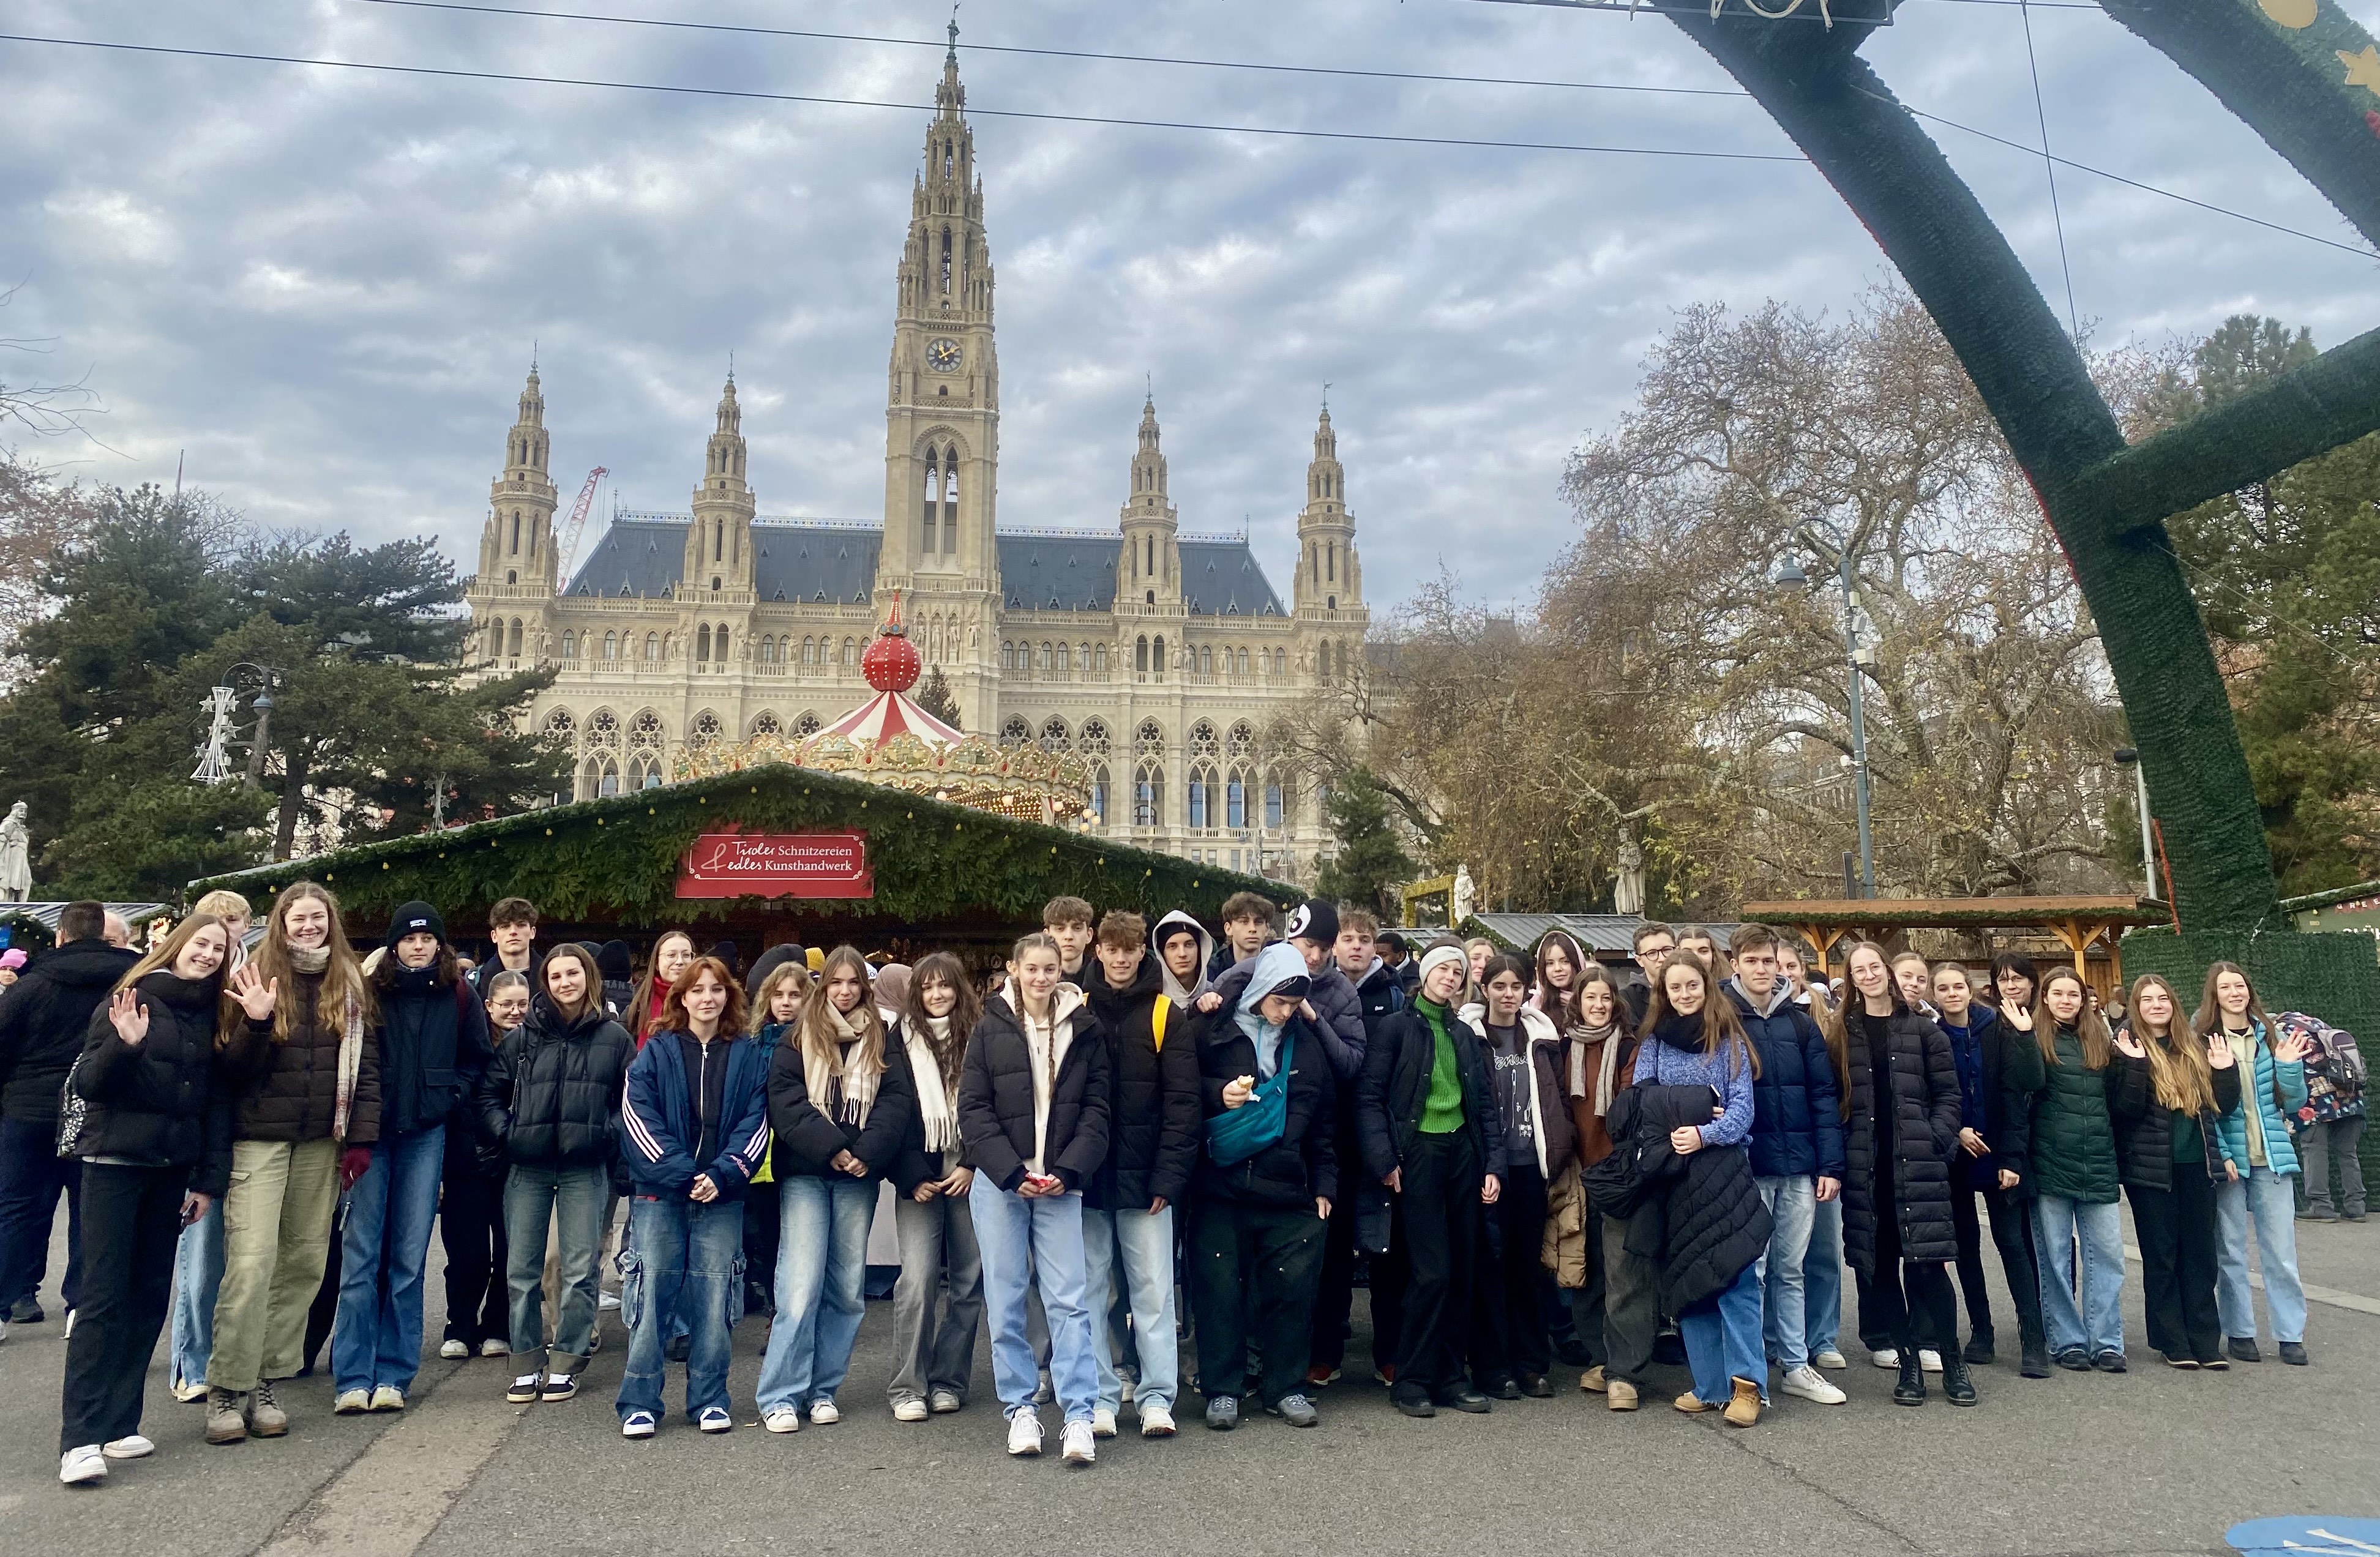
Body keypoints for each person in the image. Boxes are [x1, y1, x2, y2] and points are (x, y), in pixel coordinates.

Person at [53, 914, 238, 1485]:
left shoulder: (214, 1013)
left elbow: (216, 1103)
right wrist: (128, 1047)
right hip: (114, 1162)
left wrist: (208, 1180)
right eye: (200, 944)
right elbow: (90, 1083)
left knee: (150, 1292)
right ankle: (79, 1438)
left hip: (172, 1168)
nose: (207, 955)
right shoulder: (132, 997)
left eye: (218, 948)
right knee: (104, 1297)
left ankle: (119, 1422)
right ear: (177, 946)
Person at [206, 883, 381, 1446]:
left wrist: (360, 1139)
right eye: (298, 918)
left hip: (320, 1141)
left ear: (332, 922)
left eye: (318, 918)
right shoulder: (253, 976)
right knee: (253, 1263)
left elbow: (368, 1070)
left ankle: (265, 1379)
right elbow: (229, 1072)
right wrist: (257, 1021)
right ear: (280, 923)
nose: (309, 927)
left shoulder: (350, 984)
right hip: (258, 1140)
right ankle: (226, 1387)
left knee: (304, 1263)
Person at [957, 932, 1111, 1464]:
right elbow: (973, 1112)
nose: (1042, 978)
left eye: (1050, 969)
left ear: (1061, 971)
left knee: (1069, 1300)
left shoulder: (1085, 1030)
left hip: (1061, 1186)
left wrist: (1069, 1171)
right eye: (1032, 969)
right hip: (1002, 1186)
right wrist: (1009, 1171)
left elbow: (1097, 1111)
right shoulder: (988, 1028)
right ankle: (1020, 1409)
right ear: (1014, 969)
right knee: (1005, 1299)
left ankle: (1078, 1416)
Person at [332, 903, 492, 1414]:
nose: (418, 946)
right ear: (395, 944)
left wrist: (451, 1096)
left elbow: (477, 1058)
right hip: (372, 1133)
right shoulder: (370, 990)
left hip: (426, 1132)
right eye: (408, 939)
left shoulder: (459, 994)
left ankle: (395, 1375)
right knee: (361, 1258)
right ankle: (352, 1375)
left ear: (439, 945)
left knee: (408, 1258)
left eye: (428, 939)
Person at [757, 946, 917, 1430]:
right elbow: (786, 1103)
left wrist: (865, 1153)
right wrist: (833, 1147)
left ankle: (823, 1389)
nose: (845, 992)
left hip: (858, 1177)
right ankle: (781, 1394)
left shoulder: (883, 1037)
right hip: (807, 1171)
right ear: (823, 987)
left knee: (847, 1289)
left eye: (853, 984)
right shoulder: (797, 1037)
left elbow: (896, 1099)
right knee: (801, 1287)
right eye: (836, 984)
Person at [616, 956, 769, 1438]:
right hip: (661, 1197)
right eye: (697, 989)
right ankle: (639, 1400)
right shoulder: (656, 1052)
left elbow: (757, 1121)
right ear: (682, 997)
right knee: (651, 1296)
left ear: (729, 997)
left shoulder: (748, 1055)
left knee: (715, 1298)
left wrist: (722, 1175)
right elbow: (638, 1120)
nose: (708, 997)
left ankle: (709, 1398)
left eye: (717, 989)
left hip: (722, 1197)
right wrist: (685, 1176)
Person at [1190, 941, 1338, 1430]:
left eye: (1295, 1004)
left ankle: (1286, 1387)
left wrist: (1324, 1184)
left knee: (1291, 1295)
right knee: (1218, 1293)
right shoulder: (1211, 1030)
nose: (1286, 1012)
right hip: (1220, 1186)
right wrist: (1218, 1094)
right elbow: (1180, 1094)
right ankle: (1224, 1389)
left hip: (1288, 1191)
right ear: (1259, 990)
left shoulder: (1309, 1044)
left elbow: (1323, 1120)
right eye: (1280, 1000)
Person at [479, 943, 634, 1406]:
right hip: (528, 1166)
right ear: (545, 982)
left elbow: (631, 1101)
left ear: (588, 977)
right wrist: (510, 1135)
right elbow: (489, 1094)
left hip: (585, 1169)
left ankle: (567, 1359)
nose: (565, 982)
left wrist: (606, 1136)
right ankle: (526, 1362)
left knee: (580, 1269)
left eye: (573, 973)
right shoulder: (524, 1037)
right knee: (521, 1270)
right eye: (556, 975)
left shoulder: (614, 1037)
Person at [1358, 942, 1502, 1419]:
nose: (1451, 976)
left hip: (1463, 1151)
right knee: (1430, 1271)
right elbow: (1371, 1098)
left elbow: (1483, 1106)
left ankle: (1450, 1377)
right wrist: (1384, 1159)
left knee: (1462, 1268)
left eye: (1458, 971)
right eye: (1443, 967)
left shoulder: (1464, 1033)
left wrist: (1492, 1165)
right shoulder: (1396, 1028)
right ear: (1426, 972)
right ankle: (1412, 1379)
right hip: (1417, 1153)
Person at [1627, 951, 1772, 1425]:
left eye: (1692, 985)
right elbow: (1642, 1104)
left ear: (1706, 987)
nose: (1685, 994)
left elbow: (1740, 1113)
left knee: (1735, 1282)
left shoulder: (1729, 1041)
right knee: (1690, 1283)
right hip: (1675, 1176)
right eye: (1676, 988)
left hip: (1724, 1173)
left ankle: (1749, 1387)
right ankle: (1710, 1386)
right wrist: (1695, 1107)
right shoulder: (1653, 1044)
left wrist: (1703, 1132)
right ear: (1664, 994)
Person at [1833, 939, 1972, 1406]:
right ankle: (1908, 1363)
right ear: (1851, 980)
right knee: (1881, 1269)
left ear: (1888, 972)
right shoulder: (1843, 1032)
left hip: (1918, 1166)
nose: (1869, 975)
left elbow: (1950, 1096)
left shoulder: (1923, 1030)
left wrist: (1936, 1139)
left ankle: (1951, 1360)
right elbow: (1836, 1098)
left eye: (1875, 966)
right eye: (1859, 970)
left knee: (1929, 1268)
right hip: (1868, 1171)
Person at [1079, 912, 1196, 1438]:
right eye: (1112, 948)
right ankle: (1102, 1396)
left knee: (1153, 1294)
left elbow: (1183, 1104)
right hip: (1086, 1179)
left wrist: (1168, 1180)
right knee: (1089, 1294)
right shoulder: (1075, 1009)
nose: (1121, 958)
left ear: (1140, 954)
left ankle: (1155, 1398)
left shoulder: (1165, 1013)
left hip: (1148, 1181)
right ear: (1097, 951)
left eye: (1130, 949)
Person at [0, 900, 138, 1340]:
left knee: (17, 1209)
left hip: (28, 1110)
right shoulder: (130, 980)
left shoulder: (32, 983)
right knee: (90, 1211)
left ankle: (6, 1302)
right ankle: (82, 1305)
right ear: (104, 933)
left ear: (60, 935)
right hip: (100, 1110)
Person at [1724, 925, 1845, 1407]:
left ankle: (1795, 1363)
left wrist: (1830, 1165)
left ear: (1780, 966)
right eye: (1751, 960)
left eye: (1767, 961)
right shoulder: (1721, 1018)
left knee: (1790, 1268)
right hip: (1746, 1168)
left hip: (1799, 1167)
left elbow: (1822, 1096)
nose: (1760, 969)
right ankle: (1750, 1368)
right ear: (1735, 965)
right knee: (1750, 1271)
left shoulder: (1800, 1023)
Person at [2111, 973, 2238, 1370]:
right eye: (2147, 999)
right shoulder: (2127, 1045)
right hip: (2150, 1171)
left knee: (2200, 1255)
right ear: (2137, 1006)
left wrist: (2225, 1071)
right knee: (2162, 1256)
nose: (2155, 1004)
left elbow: (2224, 1106)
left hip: (2197, 1166)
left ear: (2173, 1004)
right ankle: (2173, 1340)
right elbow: (2125, 1110)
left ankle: (2205, 1340)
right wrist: (2133, 1066)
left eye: (2162, 997)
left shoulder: (2196, 1046)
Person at [1930, 961, 2049, 1379]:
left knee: (2013, 1246)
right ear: (1936, 994)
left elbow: (2019, 1093)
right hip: (1957, 1156)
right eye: (1942, 988)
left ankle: (2034, 1339)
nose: (1951, 993)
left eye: (1958, 986)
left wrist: (2012, 1160)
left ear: (1971, 989)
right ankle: (1982, 1331)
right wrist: (1954, 1131)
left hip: (2001, 1155)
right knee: (1965, 1247)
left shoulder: (1997, 1028)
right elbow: (1931, 1096)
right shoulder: (1933, 1036)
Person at [1461, 952, 1569, 1399]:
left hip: (1530, 1166)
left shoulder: (1541, 1035)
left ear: (1527, 989)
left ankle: (1530, 1364)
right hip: (1488, 1168)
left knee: (1527, 1268)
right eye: (1500, 986)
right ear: (1485, 989)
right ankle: (1492, 1365)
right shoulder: (1469, 1035)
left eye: (1516, 987)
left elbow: (1555, 1095)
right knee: (1490, 1265)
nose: (1508, 995)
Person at [2194, 960, 2313, 1365]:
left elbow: (2293, 1103)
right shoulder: (2204, 1039)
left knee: (2280, 1252)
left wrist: (2289, 1067)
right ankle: (2240, 1330)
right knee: (2230, 1251)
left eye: (2239, 985)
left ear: (2249, 991)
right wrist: (2223, 1154)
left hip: (2272, 1158)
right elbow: (2207, 1108)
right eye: (2226, 987)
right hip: (2232, 1161)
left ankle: (2290, 1334)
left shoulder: (2270, 1036)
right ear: (2215, 994)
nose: (2234, 992)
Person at [886, 952, 986, 1421]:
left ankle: (949, 1379)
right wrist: (912, 1176)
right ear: (916, 993)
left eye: (945, 985)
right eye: (927, 987)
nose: (937, 994)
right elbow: (891, 1112)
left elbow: (992, 1104)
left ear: (958, 989)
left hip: (971, 1170)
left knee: (968, 1281)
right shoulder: (897, 1039)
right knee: (919, 1279)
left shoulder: (982, 1034)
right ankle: (908, 1385)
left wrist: (970, 1163)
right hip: (919, 1173)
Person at [2018, 965, 2125, 1374]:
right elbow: (2027, 1085)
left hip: (2097, 1159)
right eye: (2058, 993)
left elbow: (2117, 1101)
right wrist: (2025, 1038)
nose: (2066, 1000)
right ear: (2045, 998)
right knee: (2056, 1258)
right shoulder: (2034, 1036)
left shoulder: (2101, 1038)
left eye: (2073, 994)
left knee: (2107, 1256)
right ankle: (2067, 1339)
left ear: (2084, 1000)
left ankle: (2107, 1340)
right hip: (2050, 1161)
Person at [1311, 905, 1401, 1384]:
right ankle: (1325, 1352)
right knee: (1332, 1249)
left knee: (1385, 1250)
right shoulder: (1314, 987)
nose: (1357, 946)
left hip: (1380, 1134)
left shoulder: (1393, 993)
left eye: (1365, 939)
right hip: (1331, 1131)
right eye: (1348, 938)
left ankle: (1390, 1352)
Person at [165, 891, 250, 1400]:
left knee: (244, 1263)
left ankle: (231, 1359)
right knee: (199, 1262)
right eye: (213, 923)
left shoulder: (255, 978)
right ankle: (190, 1363)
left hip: (248, 1131)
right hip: (196, 1136)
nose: (223, 932)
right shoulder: (182, 986)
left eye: (233, 920)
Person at [1564, 963, 1645, 1406]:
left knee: (1623, 1274)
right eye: (1590, 998)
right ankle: (1602, 1358)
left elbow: (1631, 1107)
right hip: (1574, 1176)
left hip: (1618, 1174)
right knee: (1585, 1273)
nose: (1598, 1006)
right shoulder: (1559, 1047)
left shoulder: (1631, 1047)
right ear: (1577, 1002)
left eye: (1605, 998)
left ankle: (1626, 1372)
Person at [441, 969, 526, 1360]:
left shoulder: (534, 1044)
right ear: (488, 1005)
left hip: (516, 1163)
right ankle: (459, 1326)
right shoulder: (468, 1045)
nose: (515, 1011)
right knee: (468, 1255)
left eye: (522, 1004)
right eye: (506, 1004)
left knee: (510, 1252)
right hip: (467, 1159)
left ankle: (497, 1327)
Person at [741, 955, 807, 1318]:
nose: (785, 1002)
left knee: (793, 1240)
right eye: (778, 995)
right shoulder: (752, 1044)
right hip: (758, 1153)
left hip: (797, 1152)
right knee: (765, 1238)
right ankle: (773, 1310)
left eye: (795, 995)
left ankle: (790, 1315)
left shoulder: (813, 1041)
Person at [630, 932, 697, 1044]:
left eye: (686, 955)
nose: (680, 961)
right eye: (671, 955)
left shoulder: (705, 1000)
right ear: (657, 963)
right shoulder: (638, 1000)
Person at [473, 897, 540, 992]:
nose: (513, 932)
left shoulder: (553, 976)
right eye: (505, 926)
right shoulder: (476, 981)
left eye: (521, 925)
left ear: (532, 932)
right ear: (494, 936)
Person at [1150, 911, 1214, 1007]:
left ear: (1200, 949)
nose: (1182, 954)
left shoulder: (1216, 995)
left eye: (1189, 945)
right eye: (1172, 946)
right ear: (1162, 954)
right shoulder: (1150, 1001)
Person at [1621, 922, 1677, 1028]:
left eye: (1667, 950)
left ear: (1678, 951)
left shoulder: (1696, 990)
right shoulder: (1628, 999)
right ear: (1639, 960)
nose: (1662, 959)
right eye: (1652, 953)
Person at [1212, 892, 1276, 979]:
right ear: (1228, 929)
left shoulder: (1277, 966)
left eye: (1259, 922)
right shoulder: (1212, 969)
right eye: (1244, 922)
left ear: (1267, 929)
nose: (1253, 929)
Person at [1532, 928, 1589, 1021]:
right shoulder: (1533, 1009)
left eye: (1565, 962)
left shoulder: (1594, 1003)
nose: (1558, 969)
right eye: (1550, 963)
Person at [1042, 897, 1096, 987]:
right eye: (1060, 929)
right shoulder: (1036, 979)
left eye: (1077, 928)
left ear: (1089, 935)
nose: (1069, 936)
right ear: (1047, 936)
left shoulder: (1103, 976)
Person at [1376, 931, 1417, 998]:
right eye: (1376, 955)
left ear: (1401, 956)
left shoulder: (1416, 982)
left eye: (1384, 955)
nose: (1379, 960)